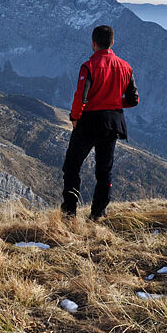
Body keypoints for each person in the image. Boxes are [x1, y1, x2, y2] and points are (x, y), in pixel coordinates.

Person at [61, 25, 139, 221]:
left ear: (93, 43)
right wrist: (112, 102)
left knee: (72, 167)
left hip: (88, 122)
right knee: (104, 170)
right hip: (113, 122)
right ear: (112, 42)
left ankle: (69, 213)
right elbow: (134, 99)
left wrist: (75, 118)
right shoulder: (126, 67)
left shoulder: (88, 66)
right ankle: (98, 213)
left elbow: (81, 96)